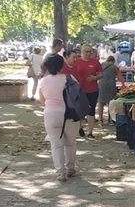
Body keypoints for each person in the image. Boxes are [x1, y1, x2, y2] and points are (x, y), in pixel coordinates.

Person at [37, 54, 79, 182]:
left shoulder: (43, 81)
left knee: (56, 145)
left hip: (51, 114)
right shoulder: (69, 78)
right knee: (70, 143)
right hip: (70, 114)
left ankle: (60, 173)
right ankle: (70, 168)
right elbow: (78, 95)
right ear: (62, 65)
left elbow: (42, 101)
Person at [75, 45, 103, 139]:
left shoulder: (95, 62)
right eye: (86, 51)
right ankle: (79, 128)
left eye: (90, 51)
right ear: (82, 52)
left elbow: (101, 74)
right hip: (80, 90)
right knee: (79, 110)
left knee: (91, 111)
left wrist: (94, 78)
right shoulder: (77, 61)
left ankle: (90, 132)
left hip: (93, 90)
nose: (88, 53)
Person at [98, 56, 125, 124]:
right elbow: (120, 77)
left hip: (101, 85)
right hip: (111, 86)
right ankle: (110, 119)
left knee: (101, 103)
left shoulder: (101, 65)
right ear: (113, 61)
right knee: (111, 103)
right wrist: (123, 85)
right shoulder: (114, 67)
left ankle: (100, 120)